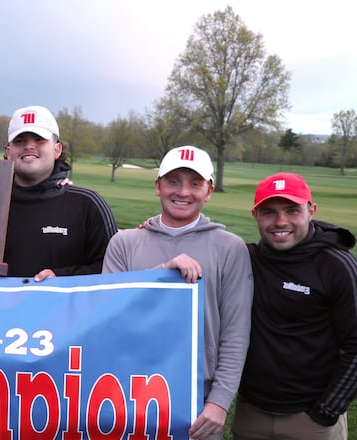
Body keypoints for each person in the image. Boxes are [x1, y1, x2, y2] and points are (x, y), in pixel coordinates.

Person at [102, 145, 253, 440]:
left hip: (198, 400)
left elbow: (235, 333)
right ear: (158, 186)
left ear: (208, 191)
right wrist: (163, 272)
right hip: (128, 392)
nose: (183, 192)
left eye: (195, 184)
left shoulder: (230, 248)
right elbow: (108, 315)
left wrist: (220, 402)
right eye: (173, 181)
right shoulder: (124, 242)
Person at [231, 173, 357, 440]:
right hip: (251, 413)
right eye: (269, 212)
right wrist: (151, 229)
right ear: (255, 214)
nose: (280, 222)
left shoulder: (337, 265)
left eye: (291, 210)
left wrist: (328, 410)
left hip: (310, 420)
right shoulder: (246, 259)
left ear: (311, 210)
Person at [3, 105, 117, 279]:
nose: (29, 146)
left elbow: (113, 269)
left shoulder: (88, 205)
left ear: (57, 150)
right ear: (9, 152)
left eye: (39, 139)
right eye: (20, 141)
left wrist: (60, 278)